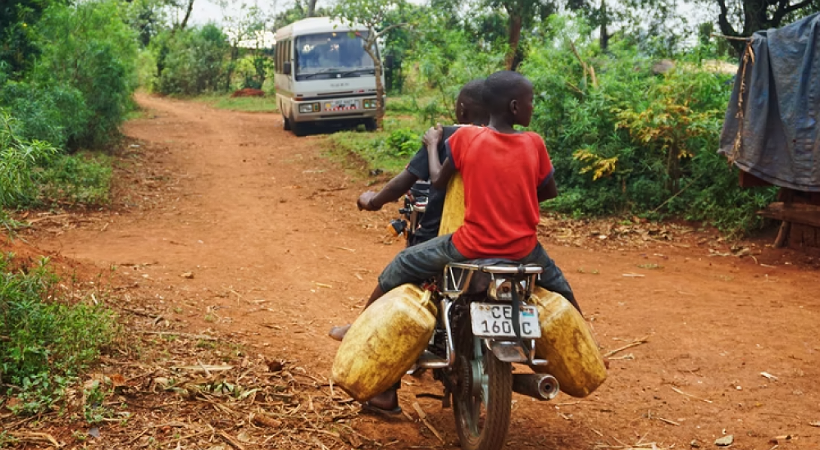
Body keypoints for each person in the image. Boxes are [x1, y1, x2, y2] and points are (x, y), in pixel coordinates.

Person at [354, 70, 579, 414]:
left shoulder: (458, 140)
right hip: (523, 248)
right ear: (516, 107)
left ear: (462, 110)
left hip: (469, 244)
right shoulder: (534, 143)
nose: (533, 107)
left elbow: (435, 181)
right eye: (532, 102)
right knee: (560, 289)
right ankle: (583, 349)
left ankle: (365, 343)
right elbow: (548, 190)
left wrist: (432, 146)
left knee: (401, 268)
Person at [328, 79, 489, 342]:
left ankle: (359, 329)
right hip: (501, 240)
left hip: (446, 237)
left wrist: (373, 201)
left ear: (462, 109)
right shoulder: (512, 140)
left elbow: (403, 183)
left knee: (400, 271)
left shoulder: (449, 136)